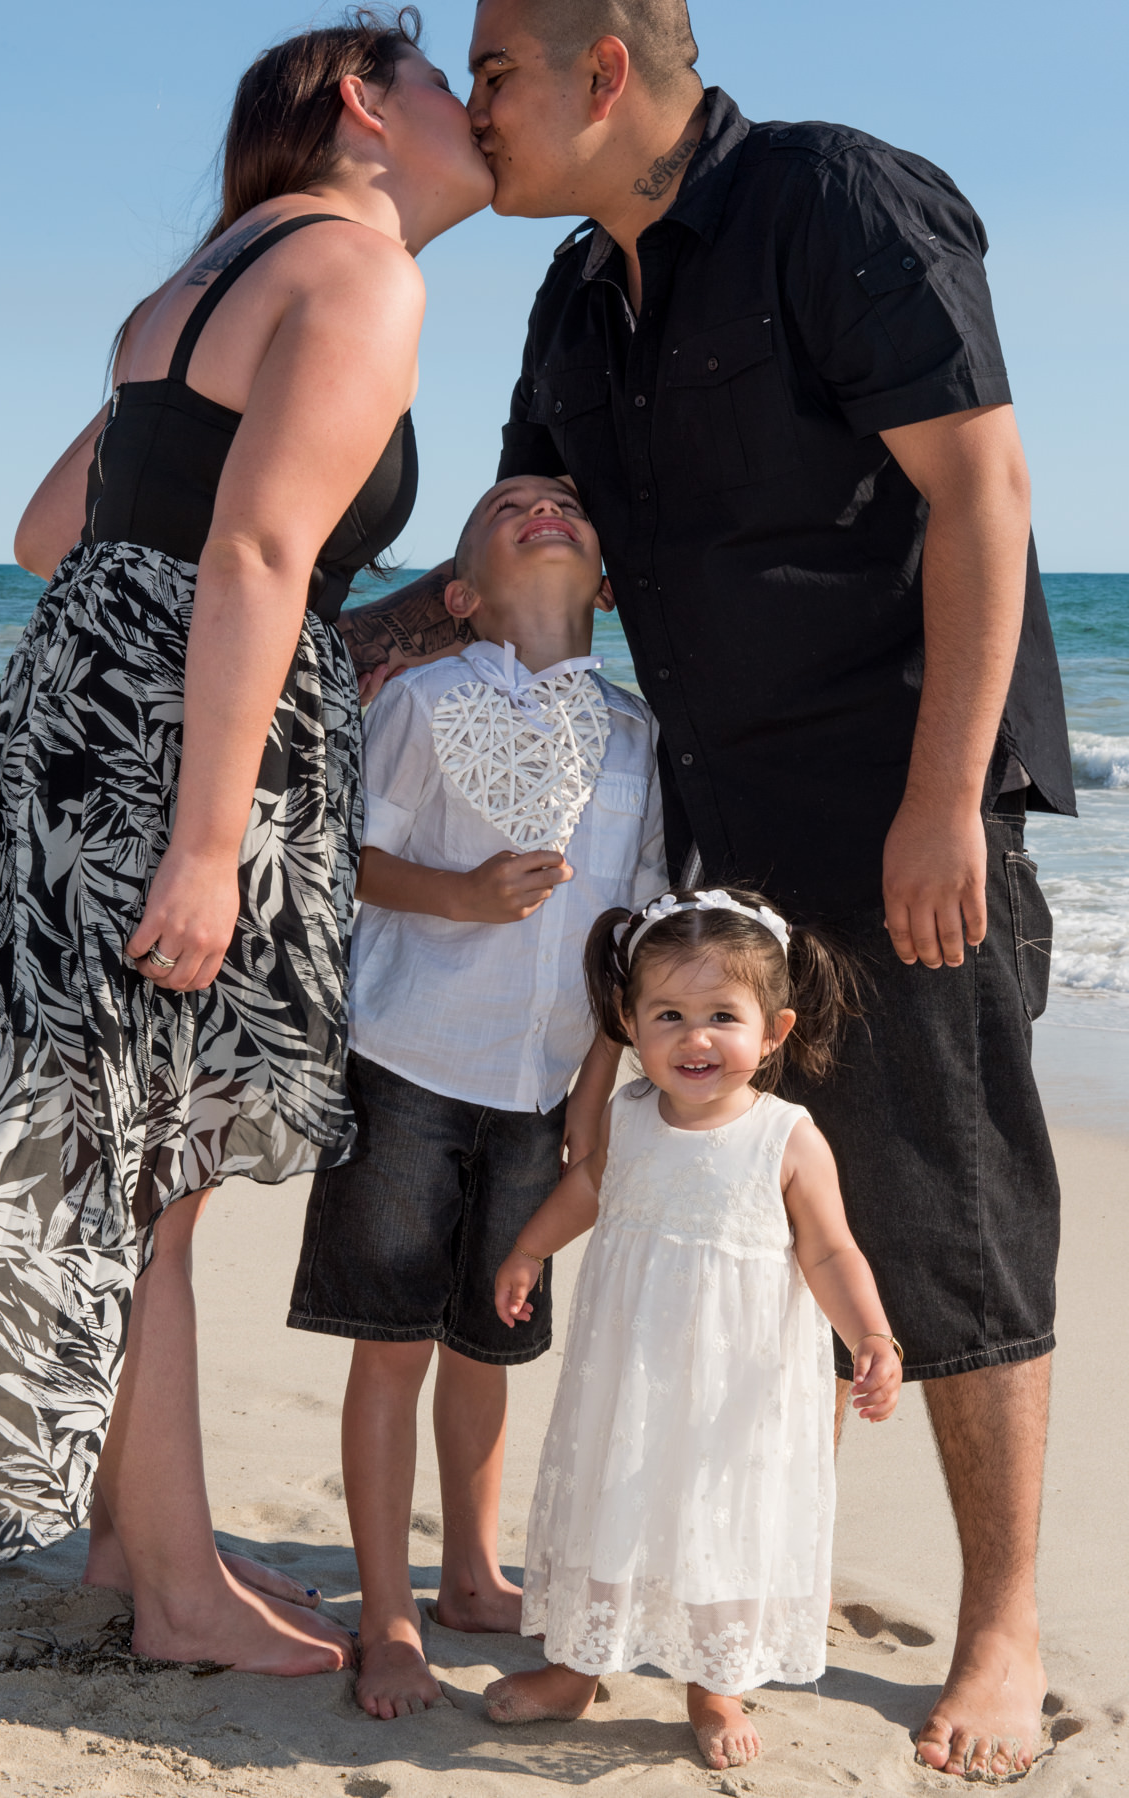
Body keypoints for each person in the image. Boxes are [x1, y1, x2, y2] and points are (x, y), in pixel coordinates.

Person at [337, 0, 1076, 1778]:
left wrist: (940, 799)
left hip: (895, 800)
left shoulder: (836, 202)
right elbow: (519, 536)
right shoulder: (580, 296)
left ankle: (1001, 1623)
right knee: (718, 1241)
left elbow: (981, 488)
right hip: (706, 827)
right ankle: (693, 1608)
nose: (477, 108)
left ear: (605, 71)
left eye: (494, 72)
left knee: (944, 1210)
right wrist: (293, 652)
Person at [0, 11, 494, 1674]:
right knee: (155, 1171)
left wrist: (346, 630)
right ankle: (174, 1591)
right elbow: (252, 550)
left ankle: (139, 1536)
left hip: (66, 726)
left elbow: (55, 534)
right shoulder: (360, 270)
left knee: (122, 1158)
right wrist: (207, 836)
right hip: (176, 764)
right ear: (357, 107)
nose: (475, 110)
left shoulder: (191, 283)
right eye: (445, 83)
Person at [286, 472, 666, 1717]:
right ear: (460, 594)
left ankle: (472, 1572)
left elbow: (640, 940)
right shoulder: (427, 700)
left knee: (490, 1336)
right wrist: (456, 895)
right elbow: (350, 856)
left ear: (605, 584)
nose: (545, 502)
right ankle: (389, 1610)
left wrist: (598, 1093)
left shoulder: (635, 736)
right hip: (409, 1061)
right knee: (393, 1341)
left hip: (543, 1084)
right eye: (509, 506)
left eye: (565, 499)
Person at [483, 887, 901, 1770]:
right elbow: (589, 1189)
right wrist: (528, 1250)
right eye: (668, 1014)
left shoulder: (787, 1137)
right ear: (631, 1025)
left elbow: (830, 1253)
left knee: (720, 1513)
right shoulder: (629, 1118)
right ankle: (574, 1668)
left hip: (733, 1387)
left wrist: (873, 1337)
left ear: (774, 1031)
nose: (695, 1037)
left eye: (723, 1016)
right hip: (629, 1367)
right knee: (611, 1495)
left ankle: (713, 1683)